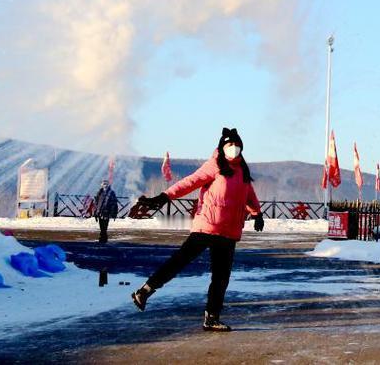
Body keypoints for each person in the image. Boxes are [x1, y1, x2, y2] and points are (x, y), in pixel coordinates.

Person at [130, 128, 264, 331]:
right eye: (229, 145)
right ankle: (145, 291)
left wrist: (257, 214)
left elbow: (249, 194)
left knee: (221, 277)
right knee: (179, 261)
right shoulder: (214, 165)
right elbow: (190, 182)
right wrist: (164, 196)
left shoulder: (242, 171)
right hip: (207, 227)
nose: (234, 148)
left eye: (237, 145)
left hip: (229, 232)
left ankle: (212, 318)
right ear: (222, 147)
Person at [91, 179, 119, 244]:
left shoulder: (111, 193)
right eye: (104, 184)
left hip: (107, 212)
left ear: (108, 184)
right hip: (100, 212)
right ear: (101, 185)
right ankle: (102, 237)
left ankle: (103, 238)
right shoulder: (99, 192)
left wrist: (112, 212)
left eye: (106, 184)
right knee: (101, 226)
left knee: (105, 226)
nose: (105, 185)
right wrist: (95, 211)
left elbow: (114, 203)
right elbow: (96, 203)